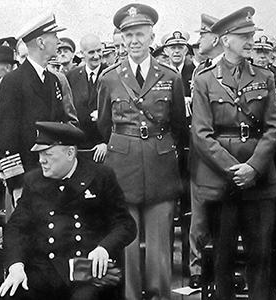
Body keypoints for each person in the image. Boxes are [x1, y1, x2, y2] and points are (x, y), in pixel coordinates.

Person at [97, 4, 187, 300]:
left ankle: (160, 295)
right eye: (128, 35)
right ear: (121, 39)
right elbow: (104, 124)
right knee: (128, 241)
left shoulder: (170, 76)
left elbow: (177, 125)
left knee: (161, 243)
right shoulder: (109, 78)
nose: (134, 41)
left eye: (139, 34)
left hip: (160, 165)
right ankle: (131, 296)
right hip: (122, 167)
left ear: (151, 36)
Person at [192, 6, 276, 300]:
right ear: (225, 40)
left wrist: (253, 168)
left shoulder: (265, 77)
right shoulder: (204, 80)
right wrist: (235, 170)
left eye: (252, 34)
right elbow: (202, 134)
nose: (250, 40)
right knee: (223, 258)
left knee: (261, 257)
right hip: (222, 182)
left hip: (260, 181)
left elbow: (273, 128)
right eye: (243, 35)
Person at [0, 121, 136, 300]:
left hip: (86, 269)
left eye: (48, 154)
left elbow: (125, 224)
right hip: (45, 268)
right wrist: (16, 266)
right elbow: (16, 227)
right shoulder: (33, 180)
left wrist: (105, 248)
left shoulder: (100, 177)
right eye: (39, 154)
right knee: (10, 295)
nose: (41, 161)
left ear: (70, 153)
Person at [0, 12, 78, 198]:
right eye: (54, 37)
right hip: (28, 176)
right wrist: (17, 184)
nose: (59, 41)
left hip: (54, 173)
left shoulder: (53, 80)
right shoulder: (13, 81)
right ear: (41, 43)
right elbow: (7, 136)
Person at [187, 13, 223, 289]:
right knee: (198, 221)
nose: (199, 40)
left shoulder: (232, 70)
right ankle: (197, 269)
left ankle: (228, 270)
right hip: (201, 155)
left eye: (203, 34)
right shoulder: (201, 71)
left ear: (217, 37)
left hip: (229, 153)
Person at [66, 35, 107, 162]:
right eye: (91, 52)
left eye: (99, 51)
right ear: (82, 54)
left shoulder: (111, 75)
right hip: (80, 148)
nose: (96, 56)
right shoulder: (71, 77)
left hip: (104, 149)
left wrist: (107, 142)